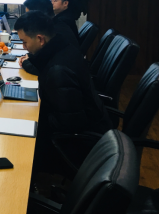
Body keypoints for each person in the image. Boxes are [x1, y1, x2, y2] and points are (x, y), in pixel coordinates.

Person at [14, 11, 112, 171]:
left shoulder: (58, 71)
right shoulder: (63, 48)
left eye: (25, 42)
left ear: (40, 39)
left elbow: (70, 124)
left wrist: (31, 118)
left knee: (16, 145)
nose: (24, 47)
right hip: (91, 126)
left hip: (78, 144)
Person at [19, 0, 79, 75]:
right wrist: (30, 57)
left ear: (38, 16)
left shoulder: (55, 33)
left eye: (29, 17)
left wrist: (25, 62)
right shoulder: (56, 24)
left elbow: (42, 69)